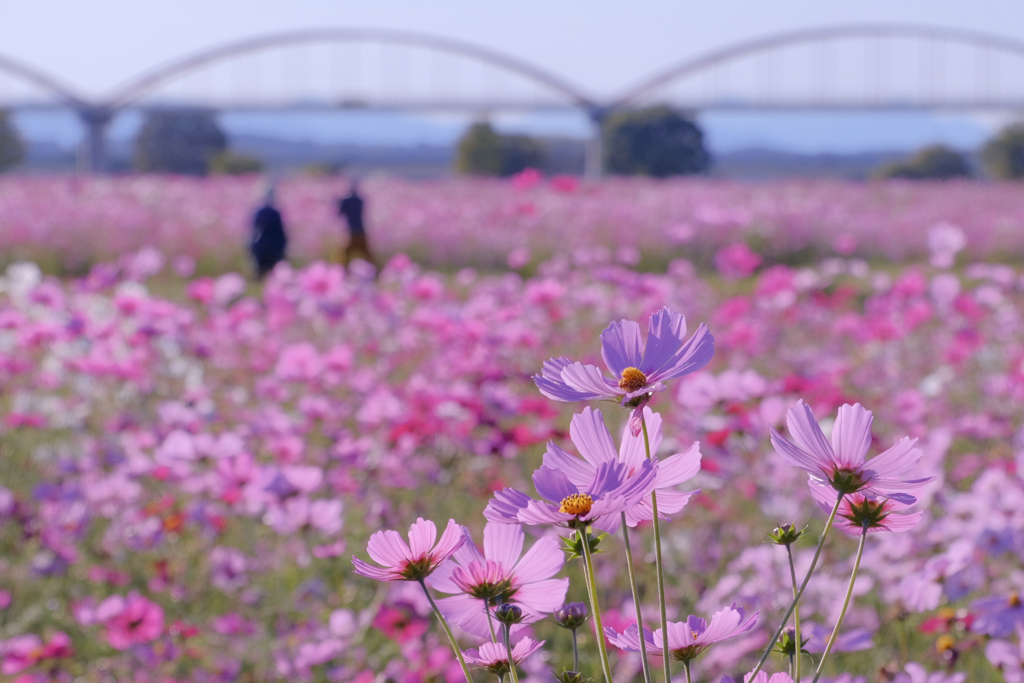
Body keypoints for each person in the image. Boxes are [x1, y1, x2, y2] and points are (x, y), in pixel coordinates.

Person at [250, 185, 288, 280]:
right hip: (274, 248)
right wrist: (284, 246)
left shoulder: (258, 212)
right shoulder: (275, 213)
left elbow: (254, 232)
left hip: (260, 248)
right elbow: (281, 233)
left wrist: (251, 247)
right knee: (274, 277)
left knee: (260, 275)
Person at [338, 182, 376, 268]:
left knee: (345, 256)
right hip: (361, 230)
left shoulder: (346, 201)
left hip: (352, 231)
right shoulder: (359, 201)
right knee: (368, 255)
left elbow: (340, 212)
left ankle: (342, 272)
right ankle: (374, 271)